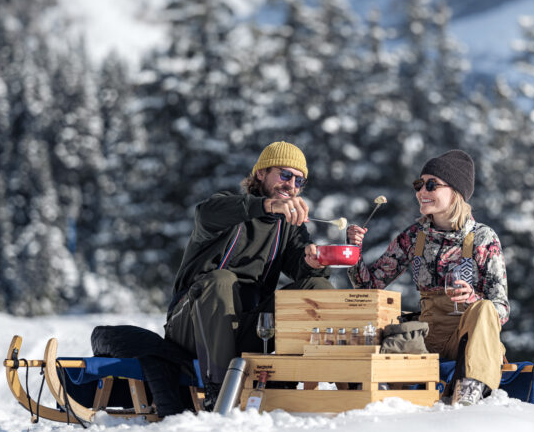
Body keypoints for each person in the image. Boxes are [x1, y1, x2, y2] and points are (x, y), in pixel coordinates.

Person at [164, 141, 335, 408]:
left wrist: (314, 262)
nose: (291, 185)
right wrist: (267, 206)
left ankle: (297, 380)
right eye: (285, 174)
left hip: (248, 326)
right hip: (192, 324)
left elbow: (301, 267)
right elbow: (206, 213)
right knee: (222, 281)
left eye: (299, 181)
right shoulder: (227, 209)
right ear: (261, 173)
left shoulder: (288, 227)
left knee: (317, 285)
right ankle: (220, 393)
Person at [346, 149, 509, 406]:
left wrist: (473, 298)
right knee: (390, 331)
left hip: (467, 339)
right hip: (426, 336)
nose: (422, 191)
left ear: (455, 192)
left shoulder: (484, 239)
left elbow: (501, 309)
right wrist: (354, 252)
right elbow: (369, 286)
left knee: (485, 308)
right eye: (419, 184)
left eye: (431, 184)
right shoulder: (414, 236)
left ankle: (470, 388)